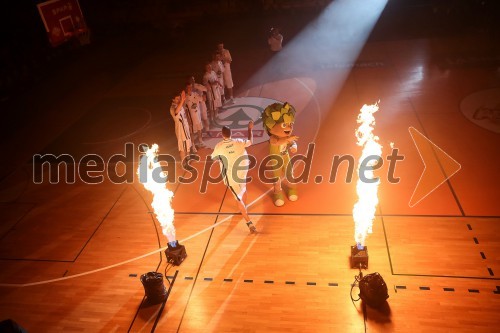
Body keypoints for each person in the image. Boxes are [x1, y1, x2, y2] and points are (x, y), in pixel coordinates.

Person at [210, 121, 257, 233]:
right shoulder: (238, 142)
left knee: (238, 198)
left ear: (222, 135)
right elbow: (250, 141)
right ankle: (243, 208)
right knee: (244, 190)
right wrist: (250, 128)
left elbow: (213, 158)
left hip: (231, 178)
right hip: (241, 174)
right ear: (231, 133)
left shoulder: (219, 146)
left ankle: (249, 223)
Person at [170, 90, 195, 164]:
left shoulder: (180, 105)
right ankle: (184, 163)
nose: (178, 100)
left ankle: (188, 160)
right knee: (182, 148)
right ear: (173, 100)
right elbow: (176, 112)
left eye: (179, 98)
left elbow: (184, 116)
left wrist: (189, 125)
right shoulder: (172, 107)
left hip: (185, 129)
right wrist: (182, 100)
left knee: (187, 146)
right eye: (177, 99)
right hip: (181, 131)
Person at [184, 83, 206, 148]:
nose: (190, 89)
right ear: (186, 89)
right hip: (191, 118)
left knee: (199, 129)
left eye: (190, 87)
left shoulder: (195, 94)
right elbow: (185, 109)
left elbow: (203, 99)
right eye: (188, 88)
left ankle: (200, 141)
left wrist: (204, 94)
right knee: (192, 132)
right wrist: (187, 119)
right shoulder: (185, 98)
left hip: (197, 115)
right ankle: (193, 145)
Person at [203, 63, 222, 127]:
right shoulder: (205, 76)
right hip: (211, 93)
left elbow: (216, 79)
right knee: (212, 107)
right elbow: (206, 85)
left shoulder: (213, 72)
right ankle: (212, 120)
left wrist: (219, 84)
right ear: (206, 68)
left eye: (210, 67)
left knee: (216, 105)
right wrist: (214, 83)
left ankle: (216, 116)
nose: (210, 68)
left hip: (216, 91)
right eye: (208, 67)